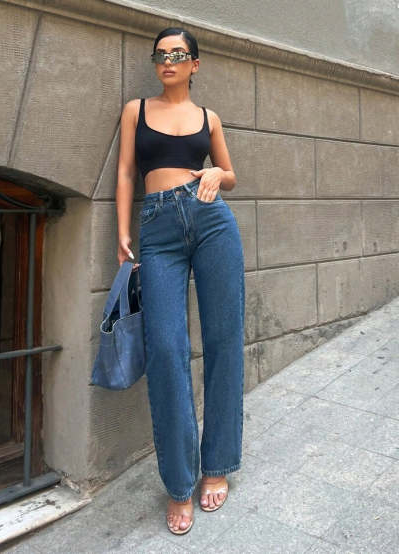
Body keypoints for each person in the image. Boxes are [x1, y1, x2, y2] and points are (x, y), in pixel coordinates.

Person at [116, 26, 245, 536]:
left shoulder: (209, 118)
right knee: (167, 349)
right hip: (158, 228)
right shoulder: (136, 110)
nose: (167, 61)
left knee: (223, 341)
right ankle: (178, 481)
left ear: (195, 64)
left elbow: (230, 174)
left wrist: (215, 174)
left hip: (212, 222)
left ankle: (217, 464)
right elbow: (127, 172)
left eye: (178, 54)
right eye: (161, 54)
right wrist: (123, 232)